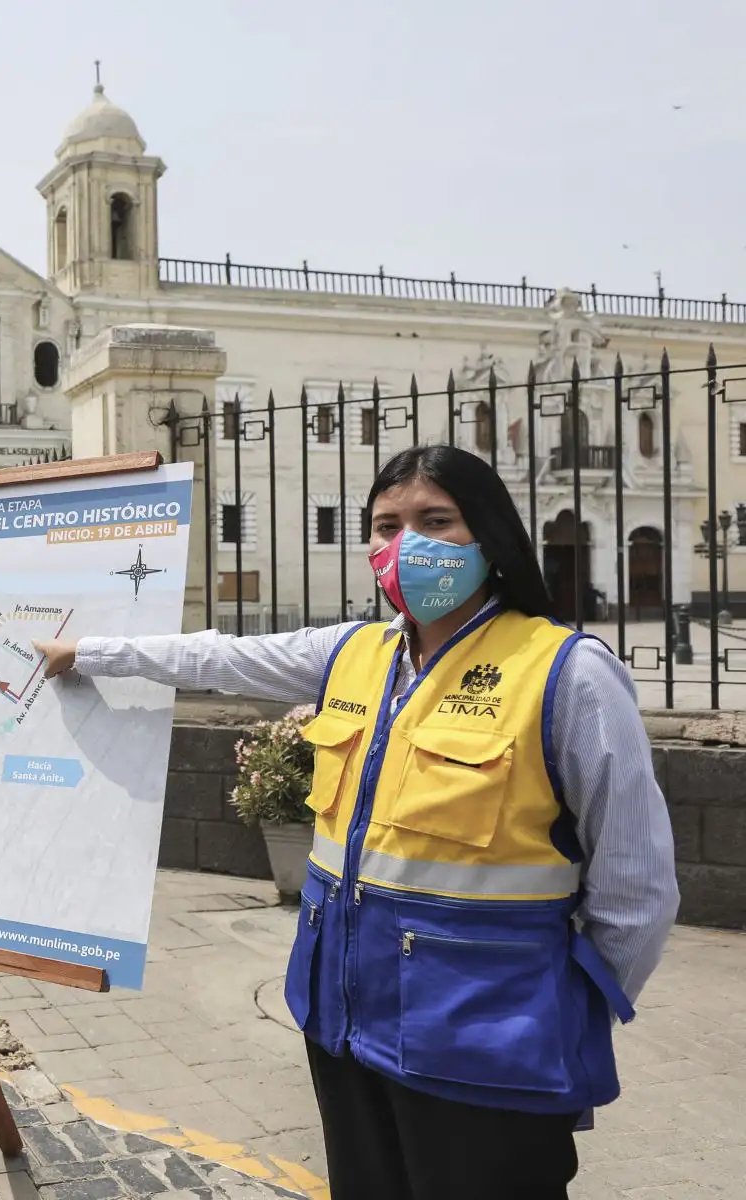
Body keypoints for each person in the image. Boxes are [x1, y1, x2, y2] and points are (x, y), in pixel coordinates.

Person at [33, 445, 678, 1200]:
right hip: (344, 1026)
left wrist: (565, 1015)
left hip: (486, 1046)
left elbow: (637, 891)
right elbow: (219, 659)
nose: (406, 545)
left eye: (436, 521)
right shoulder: (352, 654)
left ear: (490, 536)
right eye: (386, 525)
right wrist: (89, 653)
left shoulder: (568, 672)